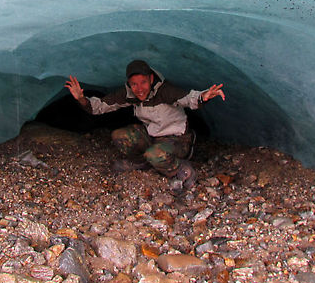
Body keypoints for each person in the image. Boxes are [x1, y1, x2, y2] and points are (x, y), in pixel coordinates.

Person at [65, 59, 225, 192]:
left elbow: (187, 99)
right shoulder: (128, 94)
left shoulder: (164, 91)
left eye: (143, 82)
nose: (139, 89)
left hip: (178, 140)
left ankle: (181, 168)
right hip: (153, 136)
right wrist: (81, 98)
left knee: (155, 154)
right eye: (134, 84)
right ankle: (142, 161)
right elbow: (99, 107)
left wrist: (203, 96)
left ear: (151, 79)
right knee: (120, 137)